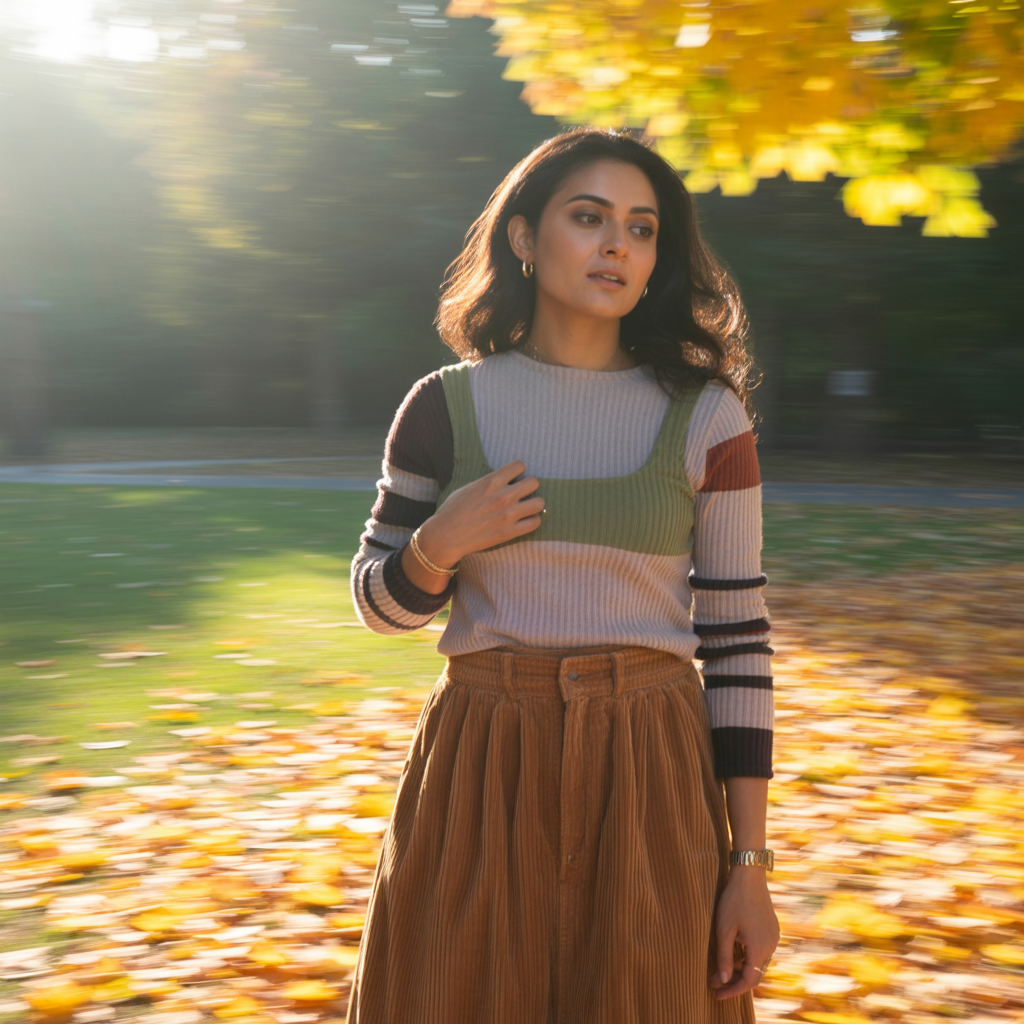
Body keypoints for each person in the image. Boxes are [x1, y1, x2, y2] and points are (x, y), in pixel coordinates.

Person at [345, 127, 779, 1024]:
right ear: (523, 238)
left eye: (642, 227)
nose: (618, 243)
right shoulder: (443, 405)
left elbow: (736, 645)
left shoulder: (708, 418)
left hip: (652, 768)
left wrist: (749, 869)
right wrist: (441, 542)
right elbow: (379, 606)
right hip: (480, 762)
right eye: (589, 218)